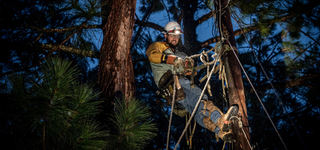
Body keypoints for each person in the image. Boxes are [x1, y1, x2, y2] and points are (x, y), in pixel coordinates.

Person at [146, 21, 238, 142]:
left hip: (177, 94)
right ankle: (221, 120)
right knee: (202, 100)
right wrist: (174, 60)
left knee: (197, 111)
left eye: (177, 36)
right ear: (166, 35)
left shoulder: (180, 54)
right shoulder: (158, 46)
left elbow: (190, 71)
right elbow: (152, 55)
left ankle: (220, 132)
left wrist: (188, 67)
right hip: (174, 84)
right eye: (172, 35)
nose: (175, 38)